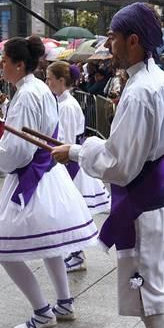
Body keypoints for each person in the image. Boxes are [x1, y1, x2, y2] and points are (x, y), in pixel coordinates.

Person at [52, 2, 164, 328]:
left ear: (133, 40)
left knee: (154, 301)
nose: (107, 45)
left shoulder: (143, 89)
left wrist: (76, 151)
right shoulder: (159, 81)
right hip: (152, 200)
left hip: (144, 204)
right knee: (152, 296)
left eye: (112, 36)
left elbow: (120, 163)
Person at [0, 36, 98, 328]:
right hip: (48, 175)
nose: (1, 65)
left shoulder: (25, 96)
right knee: (51, 245)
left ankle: (41, 311)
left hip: (32, 176)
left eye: (4, 61)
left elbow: (17, 150)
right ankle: (64, 302)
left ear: (19, 65)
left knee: (4, 248)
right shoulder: (40, 90)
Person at [46, 61, 110, 273]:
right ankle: (73, 253)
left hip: (70, 162)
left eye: (50, 79)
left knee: (70, 209)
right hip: (67, 159)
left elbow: (67, 138)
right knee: (67, 209)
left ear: (62, 81)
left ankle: (76, 254)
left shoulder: (68, 106)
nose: (48, 83)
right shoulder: (62, 103)